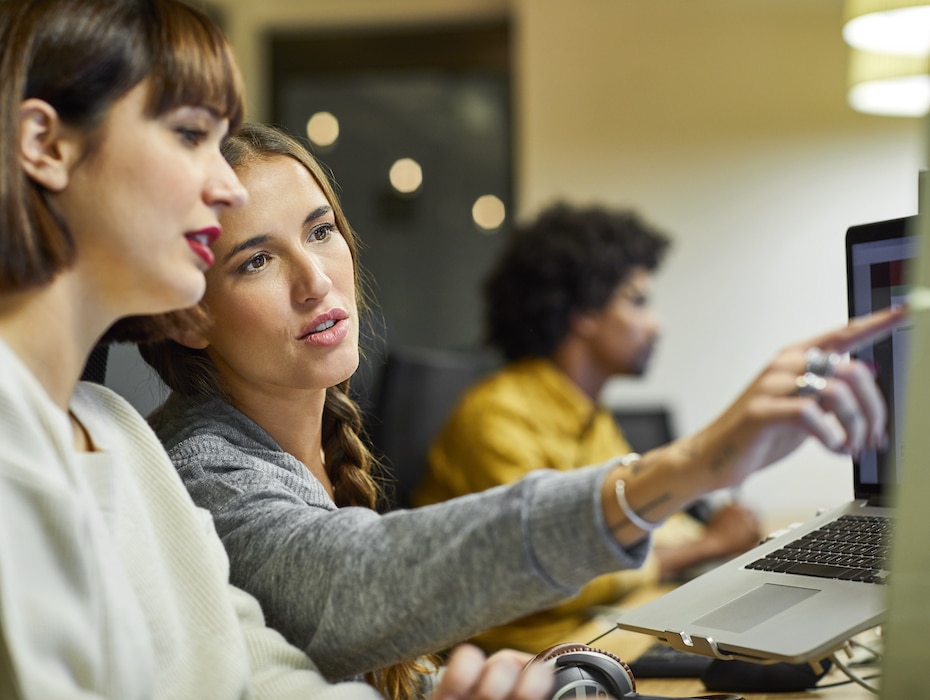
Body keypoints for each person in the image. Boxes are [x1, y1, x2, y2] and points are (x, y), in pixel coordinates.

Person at [138, 122, 903, 695]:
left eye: (322, 229)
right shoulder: (201, 470)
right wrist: (694, 465)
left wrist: (568, 677)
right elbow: (354, 584)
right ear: (187, 312)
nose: (317, 281)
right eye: (257, 260)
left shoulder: (300, 451)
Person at [0, 3, 553, 699]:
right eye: (190, 134)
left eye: (322, 232)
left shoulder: (114, 430)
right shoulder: (78, 445)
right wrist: (641, 491)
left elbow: (258, 680)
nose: (225, 183)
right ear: (46, 146)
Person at [411, 203, 764, 654]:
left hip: (594, 630)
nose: (656, 324)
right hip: (526, 658)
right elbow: (555, 569)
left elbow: (645, 519)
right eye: (637, 301)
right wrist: (707, 545)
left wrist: (722, 539)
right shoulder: (495, 418)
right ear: (584, 314)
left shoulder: (589, 417)